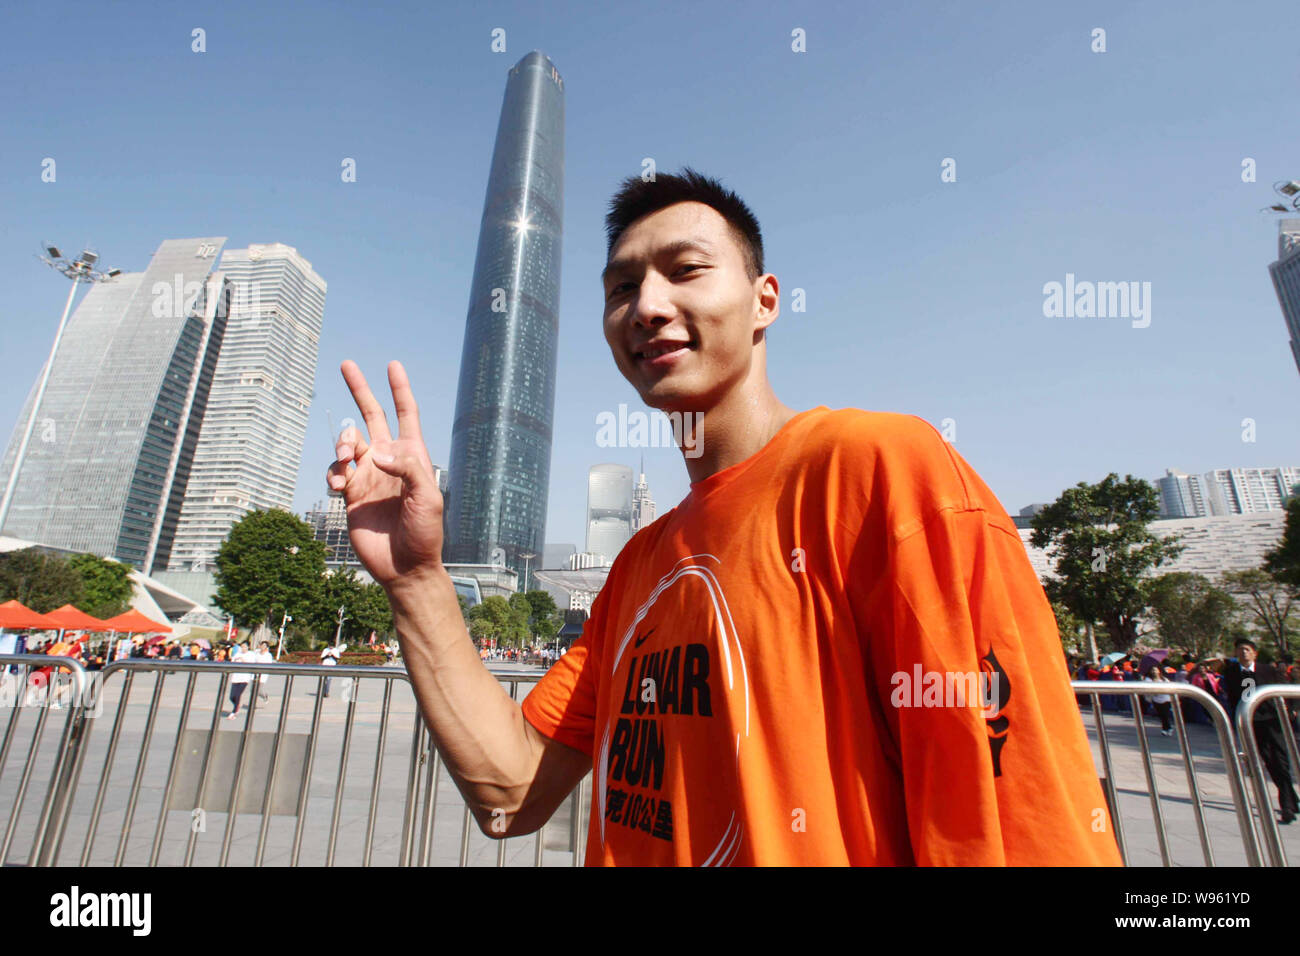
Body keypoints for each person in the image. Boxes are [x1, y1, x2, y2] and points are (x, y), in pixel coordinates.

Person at [326, 168, 1122, 865]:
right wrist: (417, 580)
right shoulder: (638, 567)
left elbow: (1025, 827)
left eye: (686, 270)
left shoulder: (881, 471)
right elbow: (512, 792)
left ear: (764, 300)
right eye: (621, 289)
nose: (647, 306)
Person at [1222, 639, 1298, 824]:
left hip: (1272, 719)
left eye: (1247, 650)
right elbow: (1232, 698)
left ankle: (1287, 806)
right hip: (1252, 722)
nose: (1244, 653)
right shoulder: (1231, 673)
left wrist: (1292, 709)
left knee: (1281, 760)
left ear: (1254, 653)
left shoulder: (1268, 670)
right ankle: (1291, 797)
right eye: (1240, 650)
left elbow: (1287, 689)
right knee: (1269, 760)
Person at [228, 643, 252, 720]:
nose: (243, 648)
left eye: (245, 647)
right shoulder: (237, 654)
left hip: (244, 678)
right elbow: (232, 662)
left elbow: (251, 665)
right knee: (232, 696)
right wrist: (235, 660)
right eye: (242, 647)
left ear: (248, 647)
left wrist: (243, 660)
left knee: (238, 695)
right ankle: (237, 705)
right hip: (236, 677)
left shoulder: (251, 654)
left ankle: (234, 712)